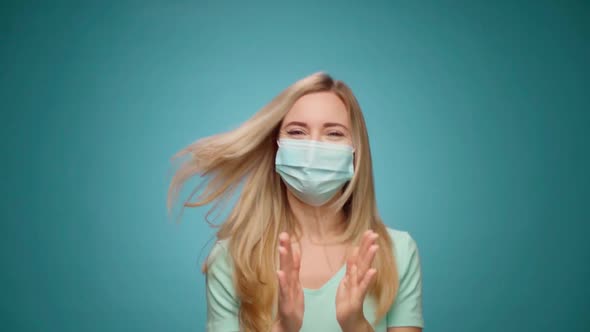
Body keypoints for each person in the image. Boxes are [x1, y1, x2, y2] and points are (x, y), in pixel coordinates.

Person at [167, 72, 424, 332]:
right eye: (297, 131)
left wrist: (356, 325)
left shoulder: (397, 253)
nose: (313, 147)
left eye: (334, 133)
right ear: (276, 146)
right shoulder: (233, 259)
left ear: (356, 150)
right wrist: (284, 328)